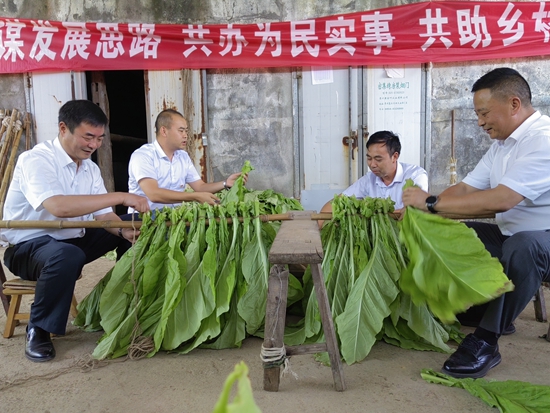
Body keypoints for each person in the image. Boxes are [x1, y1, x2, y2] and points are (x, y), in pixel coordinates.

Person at [402, 67, 550, 379]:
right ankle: (484, 308)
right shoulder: (502, 145)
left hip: (540, 241)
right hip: (510, 233)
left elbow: (501, 200)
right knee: (453, 231)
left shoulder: (543, 140)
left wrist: (431, 202)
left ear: (513, 104)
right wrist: (427, 212)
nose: (480, 122)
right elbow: (467, 189)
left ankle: (486, 340)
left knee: (524, 246)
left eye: (484, 113)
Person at [1, 100, 150, 362]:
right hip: (29, 249)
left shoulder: (90, 168)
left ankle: (122, 304)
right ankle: (39, 328)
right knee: (67, 255)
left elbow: (104, 216)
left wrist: (121, 231)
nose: (94, 145)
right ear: (63, 128)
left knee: (133, 222)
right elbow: (58, 207)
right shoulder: (35, 160)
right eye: (88, 136)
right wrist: (121, 195)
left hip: (73, 241)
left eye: (100, 138)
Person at [127, 109, 246, 213]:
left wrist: (225, 183)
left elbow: (200, 187)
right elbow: (154, 194)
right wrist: (195, 197)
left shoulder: (182, 156)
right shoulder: (143, 156)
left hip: (174, 218)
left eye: (186, 131)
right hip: (143, 219)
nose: (185, 135)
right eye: (181, 130)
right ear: (164, 131)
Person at [319, 130, 428, 219]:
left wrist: (373, 215)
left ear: (394, 156)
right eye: (369, 158)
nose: (372, 164)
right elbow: (338, 202)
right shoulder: (369, 179)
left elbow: (413, 211)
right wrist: (319, 224)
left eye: (378, 159)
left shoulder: (415, 176)